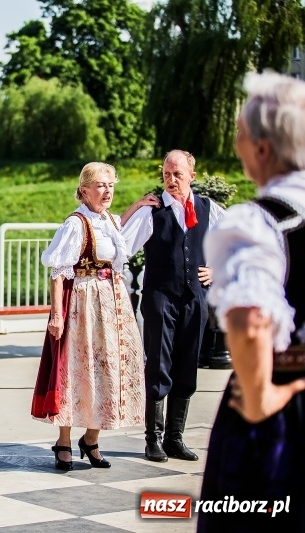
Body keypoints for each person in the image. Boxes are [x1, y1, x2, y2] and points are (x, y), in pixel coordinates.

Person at [198, 72, 305, 531]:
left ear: (262, 149)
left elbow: (249, 320)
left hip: (283, 407)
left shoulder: (261, 223)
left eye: (239, 132)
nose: (235, 143)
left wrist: (262, 397)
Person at [32, 162, 147, 470]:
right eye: (100, 185)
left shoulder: (108, 220)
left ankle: (92, 439)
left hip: (113, 302)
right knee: (77, 368)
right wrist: (56, 315)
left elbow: (118, 234)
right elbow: (58, 271)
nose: (107, 191)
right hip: (83, 303)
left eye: (110, 185)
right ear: (84, 190)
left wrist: (138, 205)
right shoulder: (76, 223)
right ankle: (64, 441)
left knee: (109, 368)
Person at [122, 149, 225, 462]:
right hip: (160, 296)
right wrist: (134, 206)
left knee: (187, 364)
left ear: (192, 175)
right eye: (166, 174)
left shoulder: (208, 208)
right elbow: (120, 246)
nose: (171, 179)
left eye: (177, 174)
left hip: (195, 297)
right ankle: (152, 439)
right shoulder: (152, 211)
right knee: (158, 363)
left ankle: (174, 438)